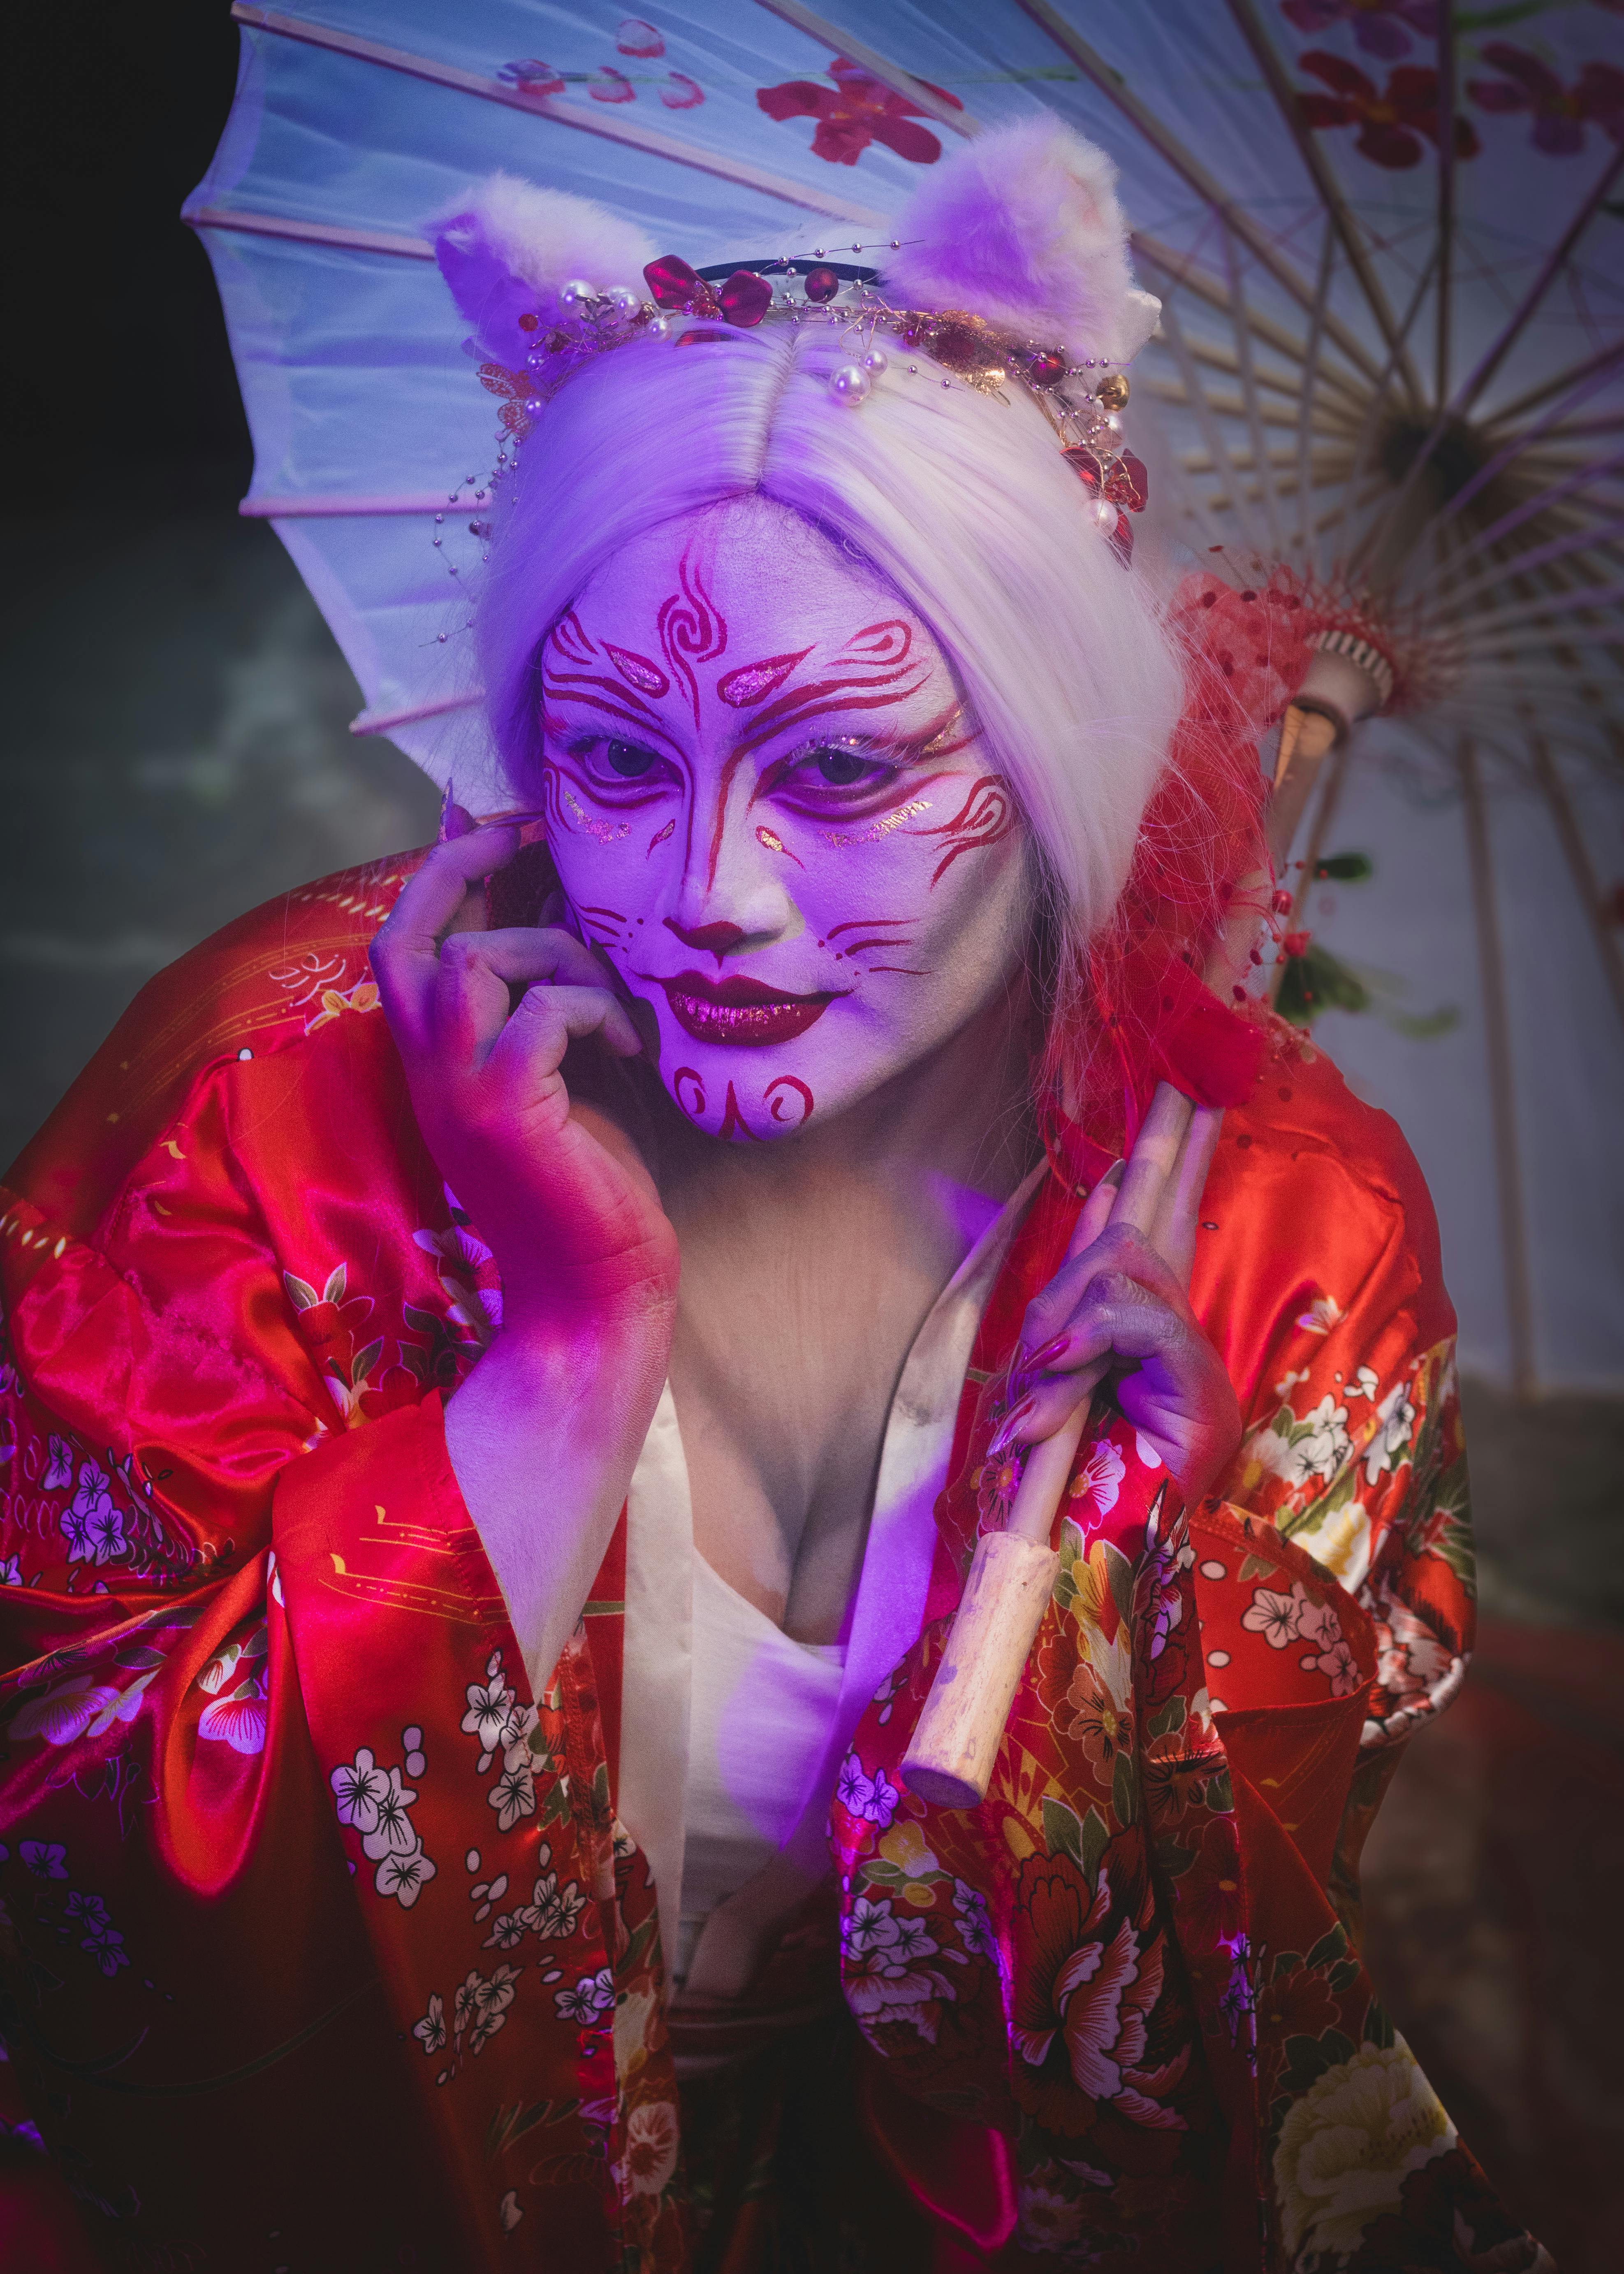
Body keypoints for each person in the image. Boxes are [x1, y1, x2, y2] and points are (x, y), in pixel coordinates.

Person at [0, 123, 1545, 2272]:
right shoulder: (262, 1124)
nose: (708, 900)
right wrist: (547, 1376)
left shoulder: (1277, 1219)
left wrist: (1150, 1582)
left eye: (839, 768)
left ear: (1061, 746)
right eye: (618, 759)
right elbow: (65, 1885)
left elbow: (1265, 1957)